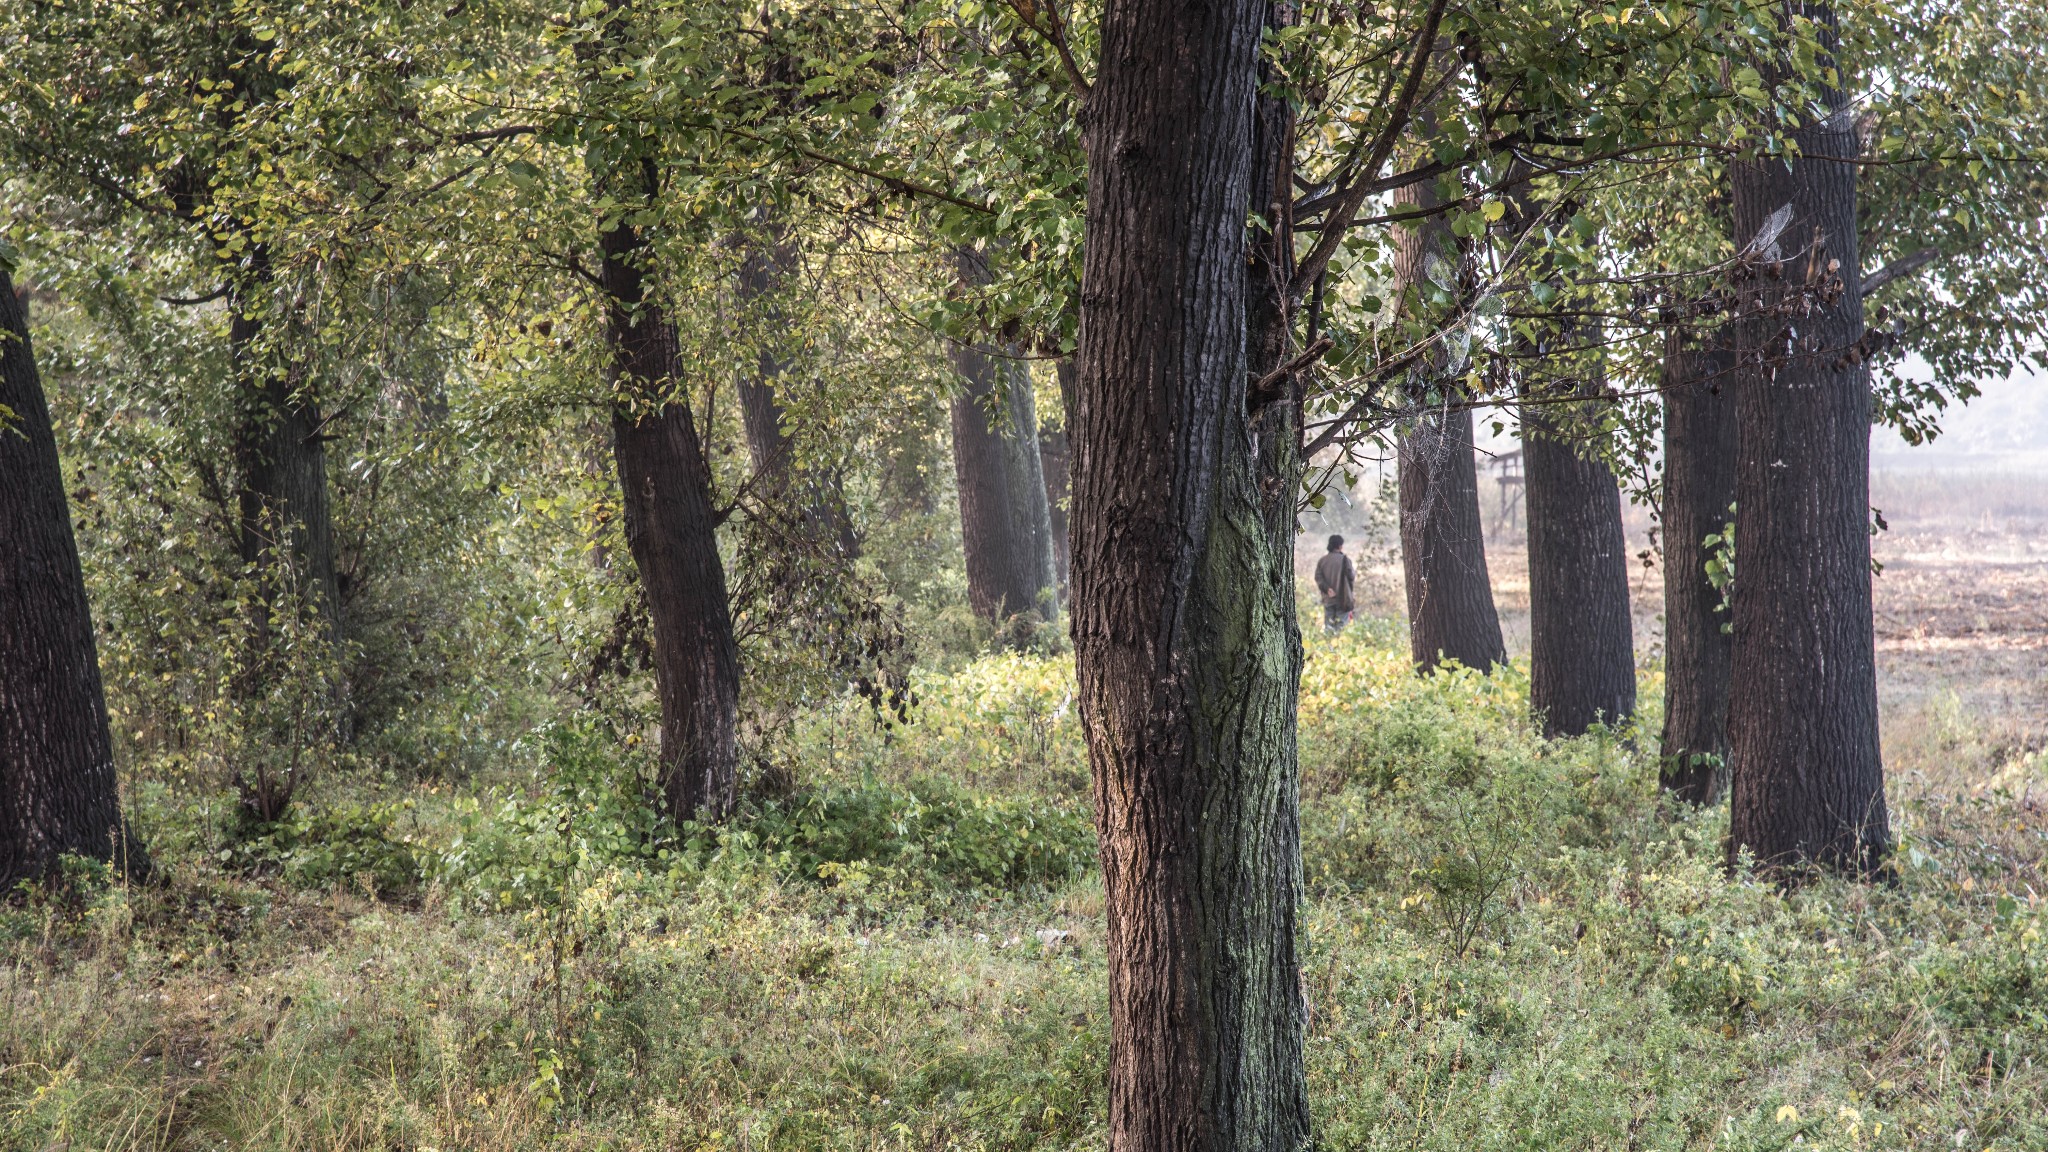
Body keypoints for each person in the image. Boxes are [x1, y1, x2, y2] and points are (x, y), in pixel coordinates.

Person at [1314, 534, 1356, 635]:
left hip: (1328, 599)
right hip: (1343, 599)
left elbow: (1318, 578)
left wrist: (1327, 589)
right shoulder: (1345, 560)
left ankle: (1328, 647)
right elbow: (1351, 577)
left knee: (1328, 626)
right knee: (1341, 626)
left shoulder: (1322, 561)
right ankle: (1338, 648)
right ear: (1340, 546)